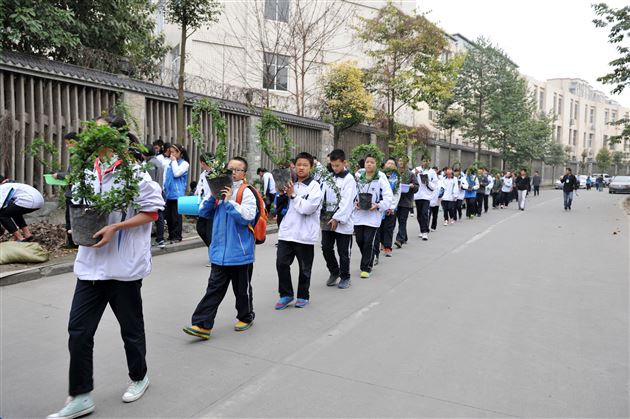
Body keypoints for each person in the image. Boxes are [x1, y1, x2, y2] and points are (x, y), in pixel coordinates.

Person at [47, 125, 164, 419]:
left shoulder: (134, 174)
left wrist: (116, 227)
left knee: (130, 329)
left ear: (117, 139)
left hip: (123, 267)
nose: (92, 137)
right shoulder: (87, 173)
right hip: (90, 267)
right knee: (79, 331)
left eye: (100, 133)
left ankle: (139, 377)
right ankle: (81, 395)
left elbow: (152, 211)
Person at [182, 157, 257, 340]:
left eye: (237, 170)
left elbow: (247, 217)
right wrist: (213, 198)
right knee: (214, 289)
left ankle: (246, 316)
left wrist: (229, 201)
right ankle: (202, 325)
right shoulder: (217, 190)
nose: (233, 172)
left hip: (240, 253)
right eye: (229, 168)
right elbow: (203, 213)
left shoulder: (246, 192)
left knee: (242, 290)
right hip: (219, 253)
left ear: (243, 174)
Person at [274, 152, 322, 310]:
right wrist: (281, 194)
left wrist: (293, 195)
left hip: (305, 234)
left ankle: (303, 295)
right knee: (281, 263)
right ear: (293, 166)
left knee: (304, 268)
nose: (301, 168)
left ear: (311, 167)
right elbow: (279, 208)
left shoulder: (314, 187)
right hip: (287, 232)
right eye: (298, 164)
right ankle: (286, 294)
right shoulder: (288, 183)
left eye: (305, 165)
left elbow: (308, 209)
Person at [320, 149, 356, 289]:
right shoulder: (328, 176)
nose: (334, 168)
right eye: (332, 165)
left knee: (343, 251)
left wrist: (337, 218)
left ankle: (345, 276)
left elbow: (347, 202)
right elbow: (322, 194)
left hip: (342, 220)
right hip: (326, 218)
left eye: (337, 166)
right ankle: (334, 271)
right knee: (326, 248)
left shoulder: (349, 179)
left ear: (344, 163)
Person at [353, 155, 392, 278]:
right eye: (367, 162)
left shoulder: (380, 177)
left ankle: (366, 267)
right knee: (360, 240)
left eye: (372, 162)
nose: (369, 164)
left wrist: (378, 205)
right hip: (359, 215)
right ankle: (370, 257)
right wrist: (355, 203)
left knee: (368, 241)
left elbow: (388, 195)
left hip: (372, 215)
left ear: (376, 164)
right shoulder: (358, 176)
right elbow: (351, 192)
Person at [52, 132, 79, 248]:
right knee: (71, 218)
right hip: (72, 193)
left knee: (71, 219)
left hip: (74, 194)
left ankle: (73, 243)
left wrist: (59, 175)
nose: (67, 146)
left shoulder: (77, 157)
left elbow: (72, 176)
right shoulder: (76, 156)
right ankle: (72, 242)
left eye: (68, 144)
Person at [163, 144, 189, 244]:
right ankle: (171, 235)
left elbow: (176, 173)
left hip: (177, 194)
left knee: (176, 217)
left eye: (174, 152)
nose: (171, 154)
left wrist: (174, 161)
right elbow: (166, 177)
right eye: (171, 152)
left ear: (179, 153)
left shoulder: (184, 164)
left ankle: (177, 236)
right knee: (169, 216)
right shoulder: (169, 163)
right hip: (168, 193)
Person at [379, 158, 401, 257]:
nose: (390, 165)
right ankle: (382, 243)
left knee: (389, 227)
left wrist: (391, 207)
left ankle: (388, 247)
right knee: (380, 226)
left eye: (392, 164)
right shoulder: (379, 176)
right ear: (384, 165)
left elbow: (397, 194)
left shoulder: (397, 178)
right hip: (380, 206)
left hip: (391, 207)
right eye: (388, 163)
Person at [394, 157, 419, 248]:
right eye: (400, 160)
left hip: (406, 201)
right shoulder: (394, 173)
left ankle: (399, 239)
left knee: (402, 220)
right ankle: (404, 236)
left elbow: (417, 187)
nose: (401, 162)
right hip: (395, 201)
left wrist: (412, 186)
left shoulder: (411, 174)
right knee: (394, 221)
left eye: (403, 161)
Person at [413, 158, 438, 241]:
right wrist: (415, 174)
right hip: (417, 195)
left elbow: (434, 186)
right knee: (419, 215)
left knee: (424, 213)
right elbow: (411, 178)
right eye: (423, 161)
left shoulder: (432, 172)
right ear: (421, 161)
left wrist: (427, 182)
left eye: (427, 161)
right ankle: (422, 229)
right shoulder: (417, 169)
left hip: (427, 196)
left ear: (429, 161)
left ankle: (424, 232)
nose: (425, 162)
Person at [195, 153, 213, 249]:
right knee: (201, 228)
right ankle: (212, 249)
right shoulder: (203, 174)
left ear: (202, 163)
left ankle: (214, 255)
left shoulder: (216, 174)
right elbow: (199, 187)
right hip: (204, 204)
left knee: (210, 230)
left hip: (213, 205)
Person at [428, 166, 441, 231]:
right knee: (428, 214)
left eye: (436, 170)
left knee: (435, 214)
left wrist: (440, 195)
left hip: (437, 199)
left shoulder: (440, 179)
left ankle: (433, 226)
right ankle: (426, 227)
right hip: (430, 198)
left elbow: (442, 188)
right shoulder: (429, 179)